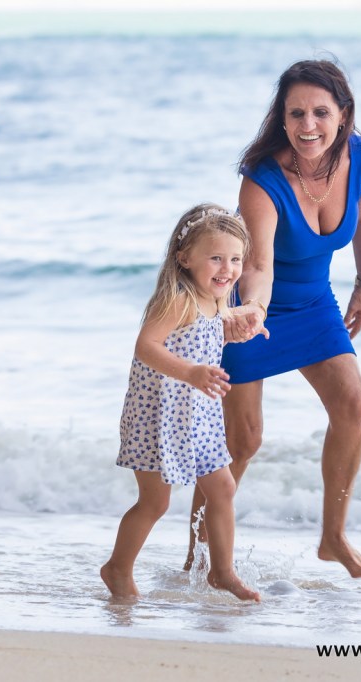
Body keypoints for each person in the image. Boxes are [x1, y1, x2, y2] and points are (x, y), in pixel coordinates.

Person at [188, 59, 361, 579]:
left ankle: (333, 538)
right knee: (242, 440)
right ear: (282, 117)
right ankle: (199, 556)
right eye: (296, 113)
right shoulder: (263, 180)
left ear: (343, 115)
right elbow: (257, 265)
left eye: (320, 112)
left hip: (315, 302)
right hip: (249, 308)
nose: (307, 125)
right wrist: (251, 310)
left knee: (354, 404)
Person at [101, 203, 264, 602]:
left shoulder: (216, 301)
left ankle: (221, 572)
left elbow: (204, 335)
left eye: (236, 259)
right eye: (216, 258)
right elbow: (147, 346)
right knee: (155, 502)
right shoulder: (178, 300)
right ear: (185, 257)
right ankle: (117, 568)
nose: (227, 269)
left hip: (199, 415)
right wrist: (191, 372)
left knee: (222, 488)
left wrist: (235, 331)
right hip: (159, 414)